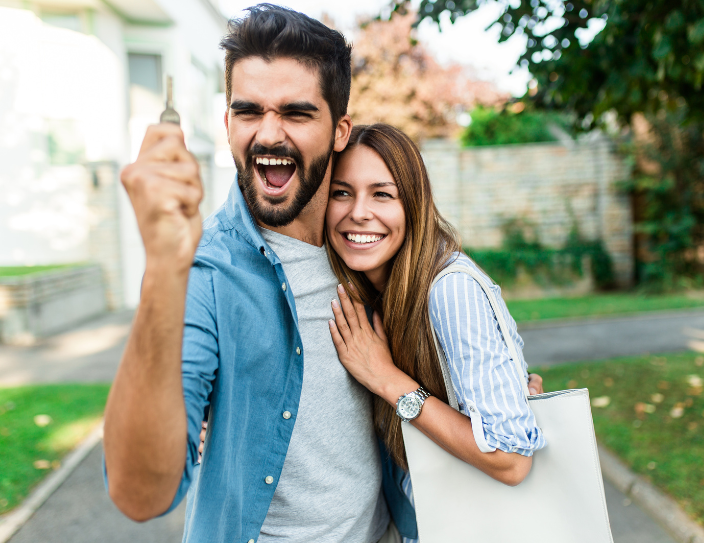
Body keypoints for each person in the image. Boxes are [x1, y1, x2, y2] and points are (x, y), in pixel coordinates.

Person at [104, 5, 395, 542]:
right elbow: (140, 495)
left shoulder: (371, 248)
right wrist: (165, 269)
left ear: (339, 130)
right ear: (227, 122)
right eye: (248, 111)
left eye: (296, 113)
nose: (268, 135)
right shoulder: (206, 271)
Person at [323, 124, 546, 541]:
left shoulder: (449, 289)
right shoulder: (376, 291)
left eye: (382, 194)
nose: (358, 212)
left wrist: (388, 380)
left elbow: (512, 459)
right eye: (341, 192)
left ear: (414, 204)